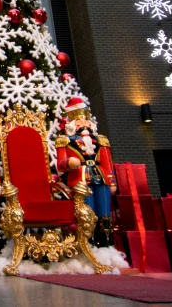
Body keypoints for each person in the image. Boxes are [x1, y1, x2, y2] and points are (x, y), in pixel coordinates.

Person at [56, 97, 117, 247]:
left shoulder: (100, 141)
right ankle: (87, 241)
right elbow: (61, 165)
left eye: (86, 122)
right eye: (79, 123)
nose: (84, 126)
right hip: (80, 179)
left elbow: (107, 162)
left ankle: (105, 240)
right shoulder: (65, 141)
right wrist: (70, 163)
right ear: (72, 125)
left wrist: (112, 181)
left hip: (100, 177)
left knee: (104, 211)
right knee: (86, 211)